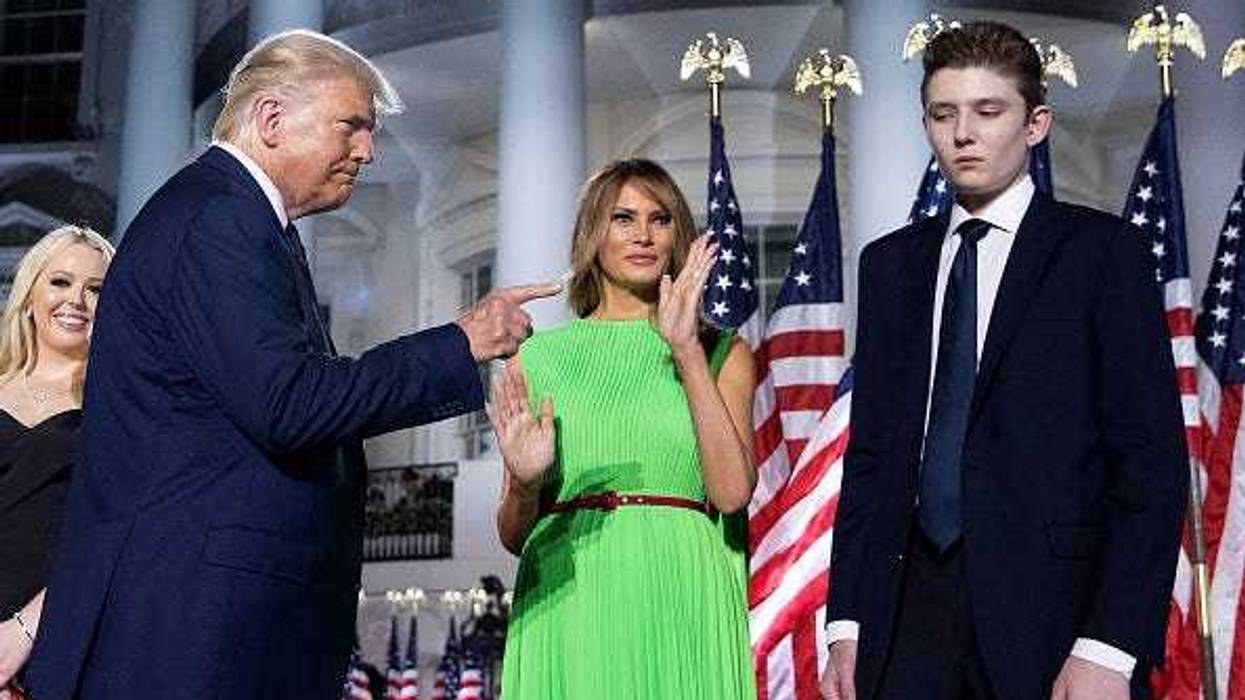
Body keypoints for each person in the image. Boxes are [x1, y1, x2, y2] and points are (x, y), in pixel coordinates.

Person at [26, 30, 556, 699]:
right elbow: (288, 404)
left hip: (208, 619)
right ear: (271, 120)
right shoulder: (218, 218)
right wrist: (459, 342)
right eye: (352, 126)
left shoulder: (237, 220)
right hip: (192, 629)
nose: (366, 150)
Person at [820, 21, 1187, 700]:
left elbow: (1149, 464)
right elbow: (870, 460)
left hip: (1057, 619)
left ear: (1035, 123)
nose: (964, 133)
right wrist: (845, 620)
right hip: (903, 620)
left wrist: (1109, 645)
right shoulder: (890, 266)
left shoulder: (1102, 255)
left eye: (988, 112)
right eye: (943, 113)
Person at [489, 158, 758, 698]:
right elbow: (515, 536)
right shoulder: (537, 358)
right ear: (593, 232)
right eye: (622, 218)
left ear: (678, 234)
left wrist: (684, 348)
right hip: (570, 593)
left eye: (660, 219)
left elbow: (731, 494)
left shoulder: (721, 351)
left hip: (680, 587)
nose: (643, 235)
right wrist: (524, 482)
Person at [0, 227, 113, 700]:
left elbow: (113, 532)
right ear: (29, 294)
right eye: (61, 282)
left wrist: (23, 633)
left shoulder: (120, 403)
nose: (77, 301)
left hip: (56, 643)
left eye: (96, 289)